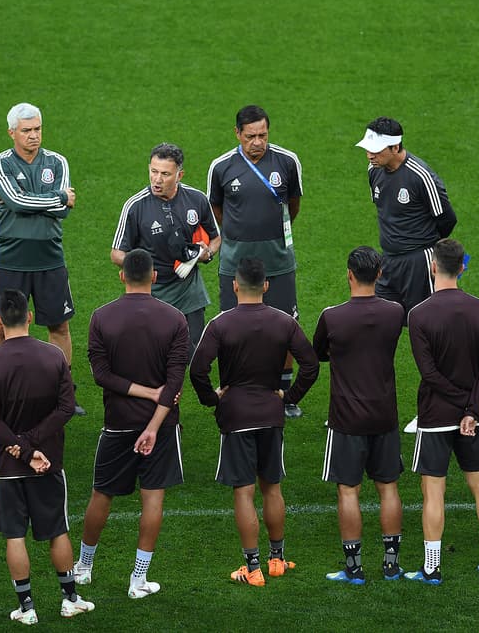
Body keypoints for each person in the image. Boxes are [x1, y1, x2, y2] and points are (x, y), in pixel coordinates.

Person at [189, 257, 319, 586]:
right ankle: (277, 559)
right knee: (272, 488)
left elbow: (197, 369)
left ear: (235, 286)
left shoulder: (220, 324)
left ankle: (253, 567)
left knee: (244, 493)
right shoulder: (283, 322)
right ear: (266, 286)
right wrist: (288, 398)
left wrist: (213, 398)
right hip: (270, 415)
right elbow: (311, 364)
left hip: (236, 417)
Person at [76, 249, 190, 598]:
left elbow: (101, 376)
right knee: (152, 500)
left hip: (118, 424)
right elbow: (173, 386)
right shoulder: (175, 320)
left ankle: (83, 567)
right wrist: (155, 425)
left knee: (102, 495)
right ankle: (138, 580)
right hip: (162, 427)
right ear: (154, 277)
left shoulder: (101, 318)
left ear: (122, 275)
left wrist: (142, 393)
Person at [0, 290, 92, 624]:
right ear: (30, 317)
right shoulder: (55, 356)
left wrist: (21, 448)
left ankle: (26, 608)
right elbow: (66, 408)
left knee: (15, 535)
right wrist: (34, 446)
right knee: (57, 530)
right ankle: (70, 598)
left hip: (9, 465)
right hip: (49, 462)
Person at [404, 239, 479, 584]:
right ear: (462, 267)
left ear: (434, 267)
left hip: (435, 415)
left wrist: (459, 403)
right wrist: (472, 408)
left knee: (433, 491)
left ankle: (432, 567)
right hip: (475, 415)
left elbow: (429, 374)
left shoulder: (418, 314)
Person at [309, 246, 407, 585]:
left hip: (346, 419)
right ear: (379, 275)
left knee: (348, 491)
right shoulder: (395, 312)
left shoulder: (331, 316)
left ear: (349, 274)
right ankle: (391, 565)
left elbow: (317, 353)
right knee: (388, 488)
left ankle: (354, 568)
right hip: (385, 416)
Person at [207, 106, 304, 417]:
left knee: (286, 327)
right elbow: (216, 211)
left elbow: (293, 206)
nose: (258, 142)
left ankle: (284, 393)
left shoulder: (288, 162)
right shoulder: (221, 167)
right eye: (250, 137)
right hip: (235, 262)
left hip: (278, 260)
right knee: (230, 330)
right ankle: (233, 389)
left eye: (263, 135)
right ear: (238, 134)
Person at [0, 103, 84, 415]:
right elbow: (17, 202)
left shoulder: (57, 162)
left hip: (50, 258)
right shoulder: (0, 163)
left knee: (60, 327)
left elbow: (63, 210)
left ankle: (64, 391)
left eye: (37, 129)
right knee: (2, 327)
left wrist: (36, 202)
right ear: (11, 132)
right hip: (12, 260)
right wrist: (55, 198)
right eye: (26, 130)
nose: (33, 136)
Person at [111, 144, 220, 349]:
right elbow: (117, 254)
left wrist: (208, 253)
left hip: (189, 290)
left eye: (165, 174)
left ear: (179, 175)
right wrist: (142, 266)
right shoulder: (135, 206)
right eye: (153, 172)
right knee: (155, 353)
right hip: (153, 291)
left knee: (191, 353)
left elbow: (215, 238)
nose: (157, 179)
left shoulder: (197, 199)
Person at [355, 117, 457, 315]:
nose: (369, 156)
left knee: (424, 319)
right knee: (381, 317)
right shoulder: (374, 170)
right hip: (388, 260)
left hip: (419, 262)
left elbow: (447, 219)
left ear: (395, 147)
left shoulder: (421, 176)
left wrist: (422, 244)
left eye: (375, 151)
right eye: (367, 149)